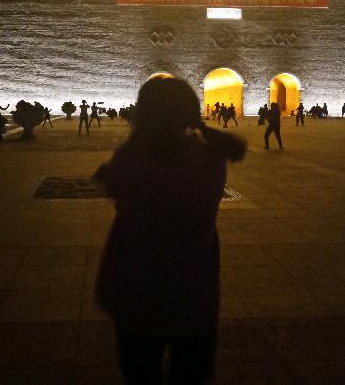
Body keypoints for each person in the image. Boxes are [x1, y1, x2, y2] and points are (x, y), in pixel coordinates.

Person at [94, 78, 246, 385]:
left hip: (138, 295)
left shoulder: (129, 158)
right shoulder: (212, 159)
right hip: (195, 295)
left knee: (141, 375)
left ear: (143, 113)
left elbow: (116, 185)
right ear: (190, 112)